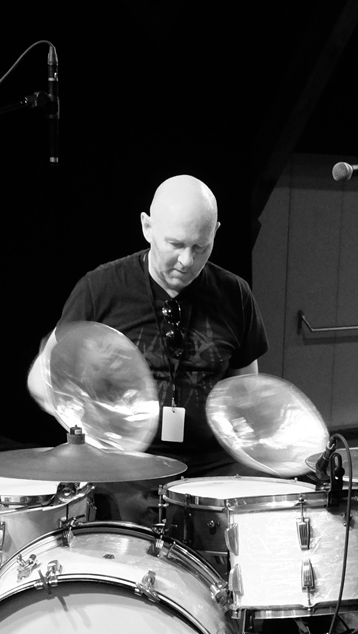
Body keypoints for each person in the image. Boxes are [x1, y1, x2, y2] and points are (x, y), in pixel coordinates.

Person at [28, 174, 267, 518]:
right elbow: (40, 378)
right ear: (147, 227)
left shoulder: (236, 295)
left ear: (215, 231)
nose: (187, 261)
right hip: (125, 468)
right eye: (175, 244)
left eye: (201, 247)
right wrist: (81, 412)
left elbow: (246, 390)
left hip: (211, 469)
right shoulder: (101, 289)